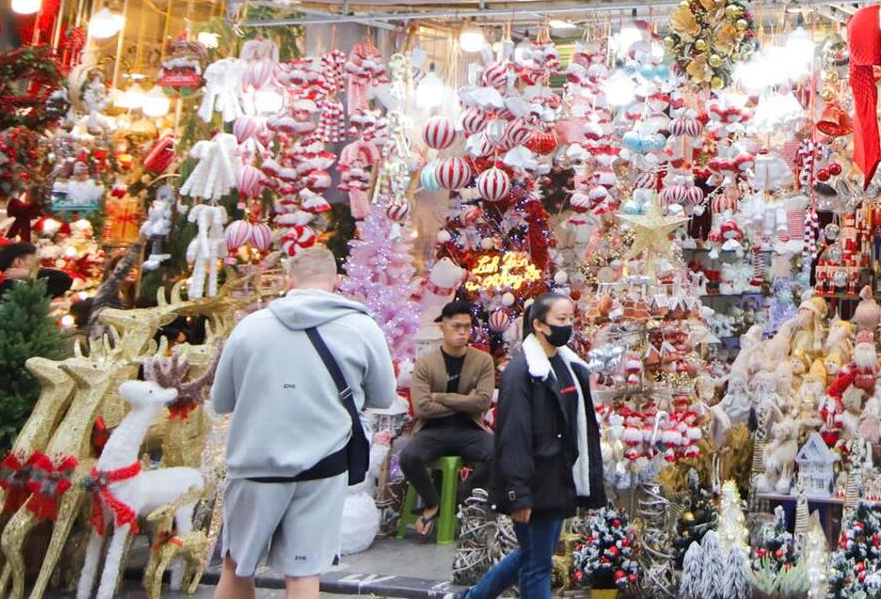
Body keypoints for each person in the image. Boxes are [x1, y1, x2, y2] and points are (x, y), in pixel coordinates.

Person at [210, 245, 395, 599]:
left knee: (237, 567)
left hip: (255, 466)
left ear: (288, 280)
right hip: (322, 466)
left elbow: (221, 402)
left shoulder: (250, 328)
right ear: (336, 282)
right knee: (303, 572)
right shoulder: (361, 328)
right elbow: (383, 397)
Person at [464, 291, 605, 599]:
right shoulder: (522, 372)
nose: (569, 326)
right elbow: (513, 436)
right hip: (535, 480)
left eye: (571, 319)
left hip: (557, 478)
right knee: (536, 565)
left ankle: (474, 597)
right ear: (540, 325)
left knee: (533, 555)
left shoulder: (568, 365)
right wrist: (518, 493)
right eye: (561, 319)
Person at [394, 299, 495, 538]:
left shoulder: (482, 361)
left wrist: (440, 397)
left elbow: (482, 402)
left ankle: (461, 497)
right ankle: (433, 502)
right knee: (409, 457)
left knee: (501, 453)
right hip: (432, 430)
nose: (462, 332)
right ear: (443, 328)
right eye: (456, 327)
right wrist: (464, 401)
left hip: (470, 428)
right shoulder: (426, 363)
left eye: (467, 327)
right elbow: (421, 408)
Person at [0, 242, 37, 332]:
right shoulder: (8, 291)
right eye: (33, 262)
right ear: (18, 262)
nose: (36, 266)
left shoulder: (2, 288)